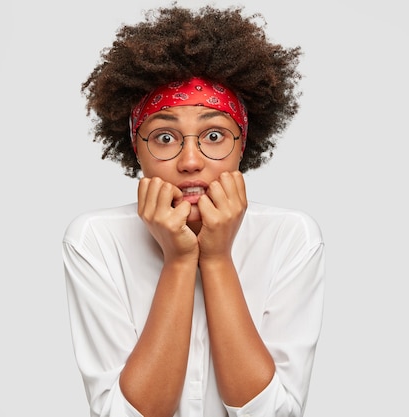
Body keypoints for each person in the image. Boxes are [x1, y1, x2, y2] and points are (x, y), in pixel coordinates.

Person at [62, 4, 325, 417]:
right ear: (136, 147)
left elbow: (272, 414)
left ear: (242, 144)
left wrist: (217, 258)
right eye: (165, 137)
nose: (189, 161)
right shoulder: (95, 239)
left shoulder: (292, 236)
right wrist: (180, 260)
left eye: (214, 134)